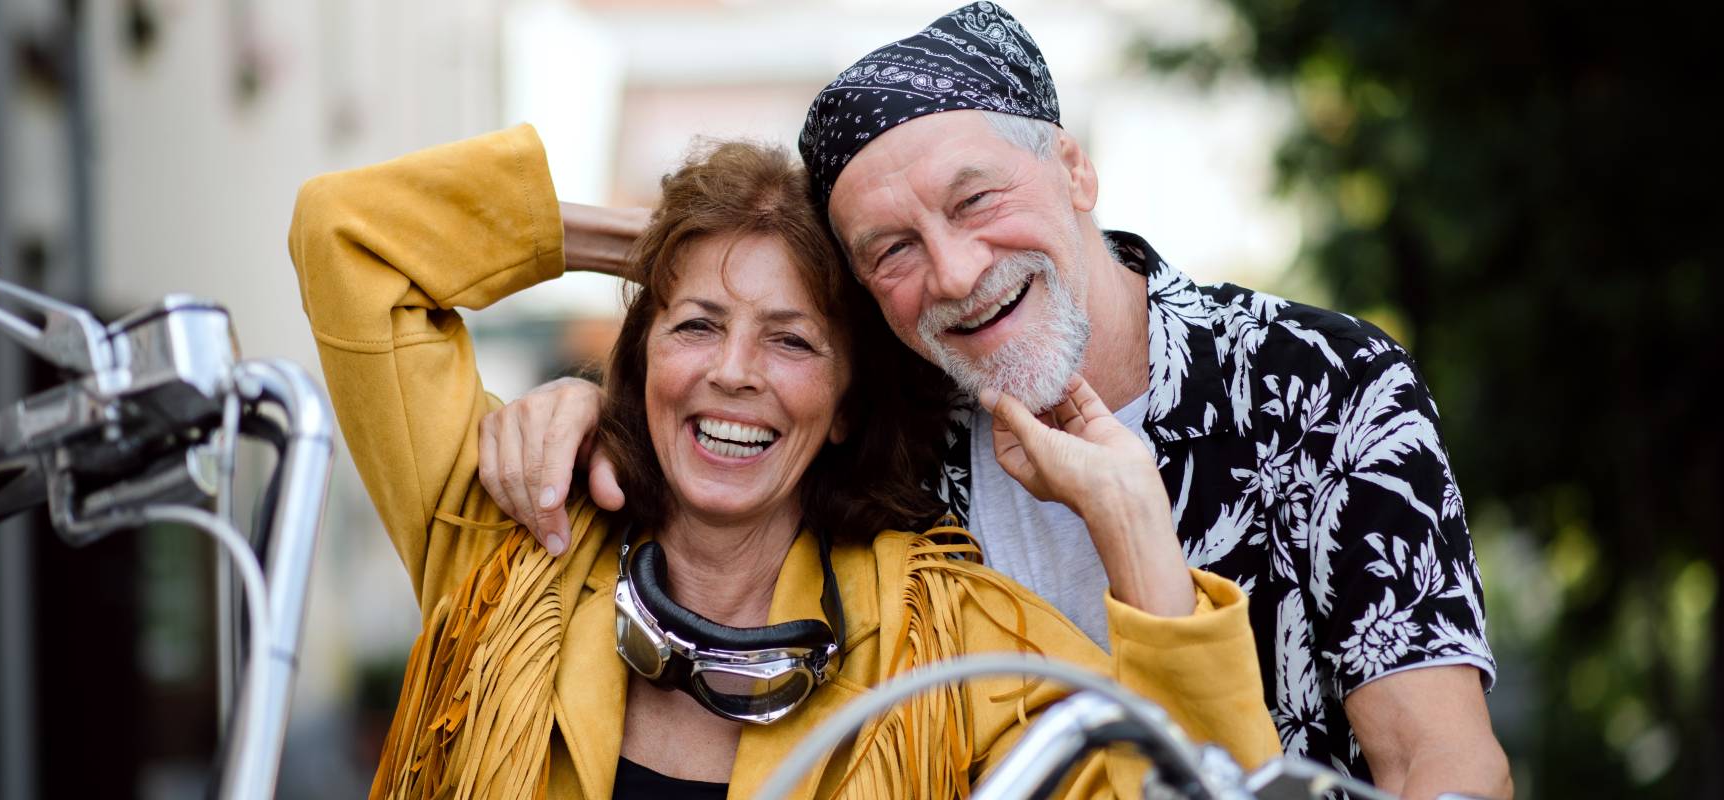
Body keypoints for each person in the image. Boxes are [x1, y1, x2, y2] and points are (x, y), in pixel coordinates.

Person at [478, 4, 1511, 797]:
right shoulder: (892, 426)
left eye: (977, 200)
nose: (958, 270)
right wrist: (595, 393)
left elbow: (1443, 764)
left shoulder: (1321, 385)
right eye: (892, 250)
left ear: (1073, 168)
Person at [288, 125, 1280, 798]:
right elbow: (349, 234)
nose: (731, 372)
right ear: (640, 364)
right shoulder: (508, 526)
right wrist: (668, 239)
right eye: (695, 323)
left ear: (847, 405)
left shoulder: (960, 647)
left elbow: (1194, 784)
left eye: (791, 340)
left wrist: (1138, 531)